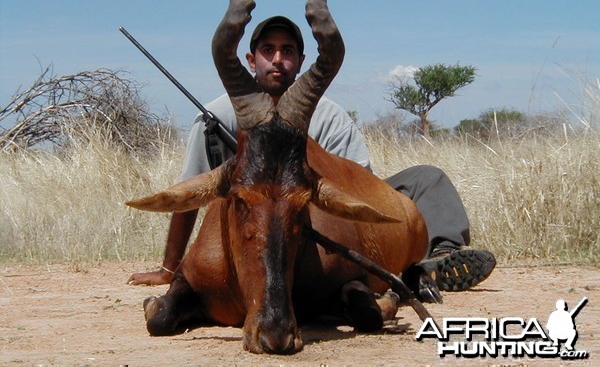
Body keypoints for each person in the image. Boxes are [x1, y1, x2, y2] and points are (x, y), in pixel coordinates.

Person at [127, 16, 496, 293]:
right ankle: (405, 274)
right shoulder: (216, 117)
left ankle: (442, 256)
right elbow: (187, 192)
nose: (277, 59)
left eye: (287, 51)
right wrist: (170, 268)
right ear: (250, 59)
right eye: (268, 50)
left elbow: (357, 182)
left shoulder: (328, 115)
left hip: (330, 213)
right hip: (256, 229)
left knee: (428, 177)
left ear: (301, 61)